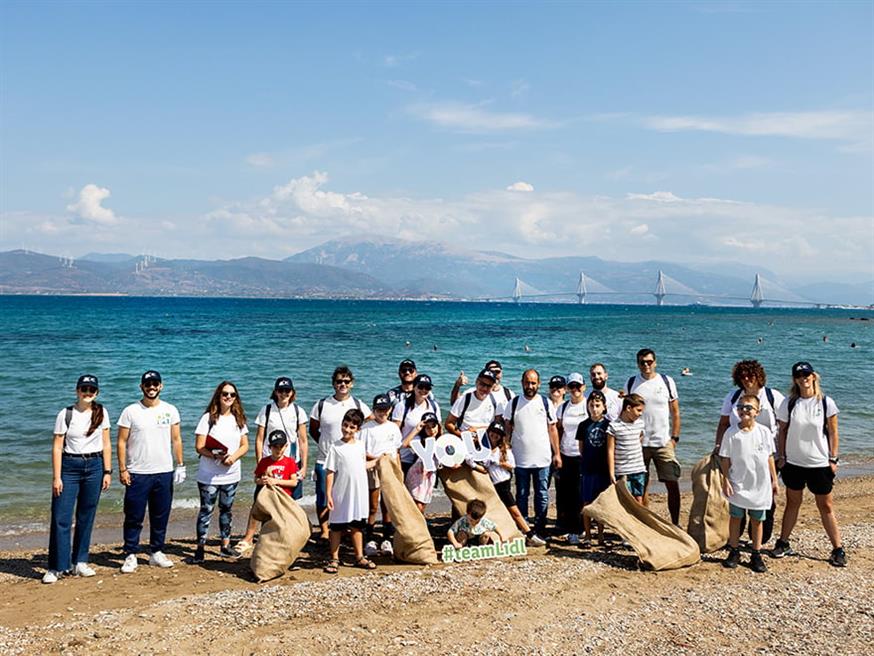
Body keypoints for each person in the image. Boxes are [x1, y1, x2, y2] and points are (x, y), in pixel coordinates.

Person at [773, 362, 847, 567]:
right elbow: (782, 432)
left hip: (819, 463)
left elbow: (833, 433)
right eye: (799, 375)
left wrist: (833, 459)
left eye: (806, 374)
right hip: (794, 463)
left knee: (826, 506)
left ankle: (838, 549)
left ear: (813, 376)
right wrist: (781, 456)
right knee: (792, 503)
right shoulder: (788, 403)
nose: (803, 378)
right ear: (795, 379)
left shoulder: (825, 402)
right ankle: (783, 543)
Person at [44, 374, 113, 583]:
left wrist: (108, 471)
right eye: (84, 389)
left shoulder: (101, 412)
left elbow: (107, 443)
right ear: (77, 391)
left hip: (94, 466)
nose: (88, 393)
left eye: (92, 390)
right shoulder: (65, 414)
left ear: (97, 392)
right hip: (69, 467)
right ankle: (56, 566)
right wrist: (57, 477)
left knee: (86, 515)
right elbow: (57, 446)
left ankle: (80, 562)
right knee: (61, 517)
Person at [117, 370, 185, 573]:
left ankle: (156, 551)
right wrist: (123, 469)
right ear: (142, 387)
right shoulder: (130, 411)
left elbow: (176, 439)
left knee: (160, 514)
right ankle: (130, 553)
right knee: (133, 515)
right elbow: (121, 442)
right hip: (137, 472)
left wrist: (180, 464)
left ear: (161, 386)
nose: (152, 387)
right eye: (148, 384)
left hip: (163, 471)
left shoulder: (170, 410)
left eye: (155, 384)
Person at [713, 360, 785, 544]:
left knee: (765, 495)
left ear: (759, 376)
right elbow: (723, 424)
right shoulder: (733, 396)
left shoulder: (772, 396)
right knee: (738, 495)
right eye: (742, 376)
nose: (746, 379)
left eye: (750, 375)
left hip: (767, 454)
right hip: (737, 455)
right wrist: (718, 447)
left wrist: (784, 453)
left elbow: (785, 425)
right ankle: (737, 538)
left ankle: (759, 539)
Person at [310, 366, 371, 541]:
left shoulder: (358, 404)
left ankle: (344, 528)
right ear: (333, 383)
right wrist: (327, 446)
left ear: (352, 384)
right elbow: (313, 429)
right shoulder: (322, 404)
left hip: (349, 460)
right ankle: (324, 530)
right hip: (325, 457)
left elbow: (371, 422)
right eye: (339, 381)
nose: (342, 384)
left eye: (346, 381)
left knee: (344, 495)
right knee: (323, 496)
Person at [719, 394, 778, 573]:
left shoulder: (764, 432)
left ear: (757, 412)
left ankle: (756, 553)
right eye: (741, 407)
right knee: (736, 517)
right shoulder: (731, 433)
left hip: (760, 484)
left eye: (749, 407)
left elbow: (769, 457)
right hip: (738, 483)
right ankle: (734, 551)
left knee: (757, 520)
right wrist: (725, 480)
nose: (744, 410)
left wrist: (774, 480)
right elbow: (725, 459)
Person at [191, 381, 249, 564]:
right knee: (206, 510)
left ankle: (225, 546)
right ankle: (200, 548)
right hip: (209, 474)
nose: (228, 397)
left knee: (226, 510)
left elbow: (245, 445)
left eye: (232, 395)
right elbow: (199, 447)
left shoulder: (238, 418)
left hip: (231, 473)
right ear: (218, 395)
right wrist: (215, 455)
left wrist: (233, 458)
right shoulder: (208, 418)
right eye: (225, 394)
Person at [624, 349, 682, 524]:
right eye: (642, 362)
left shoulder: (666, 382)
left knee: (672, 483)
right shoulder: (632, 382)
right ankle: (646, 523)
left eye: (649, 361)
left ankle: (675, 523)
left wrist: (674, 439)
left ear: (655, 362)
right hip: (639, 444)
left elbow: (676, 412)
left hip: (663, 442)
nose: (646, 365)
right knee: (641, 487)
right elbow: (626, 412)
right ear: (638, 364)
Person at [467, 421, 546, 546]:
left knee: (514, 511)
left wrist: (499, 462)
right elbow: (477, 465)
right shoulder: (482, 450)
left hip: (503, 484)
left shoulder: (504, 449)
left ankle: (529, 534)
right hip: (491, 485)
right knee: (491, 511)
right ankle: (486, 537)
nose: (495, 435)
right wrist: (476, 466)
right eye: (493, 432)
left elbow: (512, 466)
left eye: (498, 434)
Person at [502, 369, 559, 540]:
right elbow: (507, 427)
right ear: (522, 383)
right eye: (527, 382)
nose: (530, 386)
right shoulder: (513, 403)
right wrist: (505, 449)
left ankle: (540, 528)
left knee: (541, 494)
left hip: (543, 459)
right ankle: (524, 528)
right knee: (521, 494)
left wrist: (557, 454)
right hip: (520, 460)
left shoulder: (545, 402)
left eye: (533, 383)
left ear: (539, 384)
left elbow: (552, 428)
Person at [324, 409, 376, 573]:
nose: (347, 429)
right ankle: (334, 558)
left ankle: (359, 556)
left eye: (352, 427)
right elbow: (330, 472)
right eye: (345, 425)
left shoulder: (361, 445)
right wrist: (328, 494)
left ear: (358, 429)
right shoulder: (335, 447)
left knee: (357, 526)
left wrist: (380, 460)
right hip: (341, 492)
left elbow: (362, 466)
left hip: (358, 493)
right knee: (337, 526)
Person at [233, 430, 299, 555]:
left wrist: (275, 481)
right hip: (268, 498)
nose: (278, 450)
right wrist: (262, 480)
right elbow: (256, 479)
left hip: (284, 498)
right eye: (275, 447)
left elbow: (294, 482)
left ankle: (281, 545)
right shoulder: (264, 462)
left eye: (281, 447)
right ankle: (253, 540)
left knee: (282, 524)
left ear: (286, 446)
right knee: (261, 515)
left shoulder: (290, 462)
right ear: (269, 447)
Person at [361, 394, 403, 557]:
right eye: (379, 410)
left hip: (390, 469)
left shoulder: (393, 427)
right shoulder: (366, 428)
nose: (382, 413)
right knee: (373, 505)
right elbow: (362, 452)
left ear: (390, 410)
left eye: (385, 410)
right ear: (374, 410)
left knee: (388, 505)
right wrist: (378, 459)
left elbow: (396, 451)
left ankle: (386, 537)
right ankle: (370, 537)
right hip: (373, 469)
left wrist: (398, 471)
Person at [254, 377, 307, 500]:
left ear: (292, 392)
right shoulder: (266, 410)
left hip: (292, 462)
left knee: (292, 502)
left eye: (287, 390)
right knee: (267, 501)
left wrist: (304, 467)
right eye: (280, 390)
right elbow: (259, 440)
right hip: (270, 461)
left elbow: (303, 441)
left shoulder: (298, 411)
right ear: (275, 392)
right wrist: (260, 464)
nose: (284, 394)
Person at [555, 372, 587, 544]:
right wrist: (557, 453)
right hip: (566, 454)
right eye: (571, 386)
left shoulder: (588, 405)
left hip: (583, 456)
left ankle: (581, 528)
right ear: (567, 389)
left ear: (583, 387)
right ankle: (569, 528)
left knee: (581, 493)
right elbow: (559, 430)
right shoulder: (563, 407)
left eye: (578, 386)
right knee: (567, 493)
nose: (575, 389)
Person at [577, 390, 611, 546]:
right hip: (588, 469)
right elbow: (581, 448)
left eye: (597, 405)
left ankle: (601, 535)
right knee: (587, 502)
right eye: (591, 405)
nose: (594, 409)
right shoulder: (583, 425)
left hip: (603, 469)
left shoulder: (608, 424)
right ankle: (588, 535)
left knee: (601, 503)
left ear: (604, 407)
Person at [392, 373, 441, 479]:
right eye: (420, 387)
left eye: (427, 387)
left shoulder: (434, 406)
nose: (424, 390)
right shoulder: (402, 406)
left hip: (427, 457)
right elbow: (394, 434)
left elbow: (438, 430)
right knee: (404, 492)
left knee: (424, 492)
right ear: (414, 387)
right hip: (406, 457)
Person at [606, 394, 647, 504]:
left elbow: (639, 439)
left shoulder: (640, 424)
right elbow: (610, 450)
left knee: (639, 499)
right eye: (638, 410)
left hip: (638, 469)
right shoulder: (614, 426)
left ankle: (637, 521)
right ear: (628, 408)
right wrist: (611, 473)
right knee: (625, 501)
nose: (641, 413)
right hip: (623, 471)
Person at [403, 412, 442, 513]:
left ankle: (418, 524)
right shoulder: (419, 440)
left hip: (430, 477)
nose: (431, 430)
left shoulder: (441, 441)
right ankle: (416, 525)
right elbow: (405, 444)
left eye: (433, 426)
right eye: (427, 427)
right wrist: (416, 429)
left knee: (423, 505)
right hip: (417, 475)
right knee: (417, 505)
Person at [445, 369, 502, 437]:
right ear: (476, 382)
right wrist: (464, 436)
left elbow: (498, 425)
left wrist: (477, 429)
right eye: (482, 384)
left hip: (488, 439)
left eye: (489, 386)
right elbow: (449, 423)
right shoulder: (464, 399)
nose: (485, 388)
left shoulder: (496, 401)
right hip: (466, 438)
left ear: (493, 386)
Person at [449, 359, 515, 406]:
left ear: (502, 373)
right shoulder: (473, 392)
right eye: (491, 372)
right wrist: (457, 386)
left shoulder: (509, 394)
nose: (495, 375)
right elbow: (454, 404)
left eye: (497, 372)